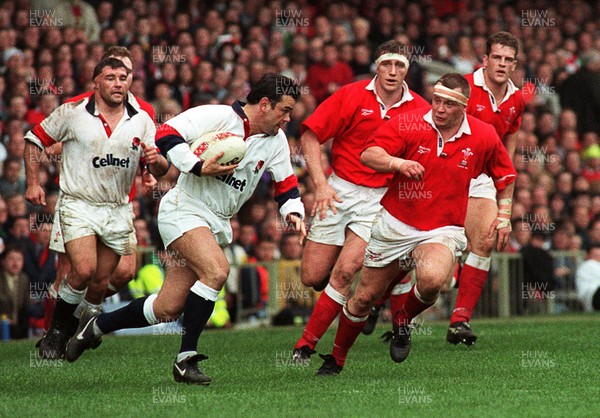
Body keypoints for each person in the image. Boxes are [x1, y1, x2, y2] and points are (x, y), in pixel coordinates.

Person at [65, 74, 306, 386]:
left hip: (216, 222)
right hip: (184, 208)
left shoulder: (276, 144)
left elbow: (286, 186)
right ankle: (185, 359)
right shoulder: (217, 116)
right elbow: (166, 134)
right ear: (263, 104)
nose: (288, 119)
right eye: (284, 110)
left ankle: (96, 326)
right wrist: (196, 165)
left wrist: (294, 214)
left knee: (167, 308)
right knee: (217, 270)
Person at [315, 73, 516, 375]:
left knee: (434, 280)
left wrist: (504, 216)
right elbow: (370, 153)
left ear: (464, 106)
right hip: (396, 223)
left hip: (441, 229)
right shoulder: (409, 122)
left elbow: (506, 176)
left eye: (448, 104)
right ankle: (337, 358)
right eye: (436, 100)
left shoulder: (484, 135)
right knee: (363, 298)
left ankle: (402, 319)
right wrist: (397, 163)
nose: (439, 108)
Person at [291, 40, 428, 364]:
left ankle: (305, 345)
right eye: (387, 65)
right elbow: (309, 136)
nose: (393, 72)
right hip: (338, 190)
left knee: (346, 271)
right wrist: (321, 185)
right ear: (376, 66)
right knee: (312, 276)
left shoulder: (420, 109)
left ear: (408, 70)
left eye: (400, 66)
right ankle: (380, 289)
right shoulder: (351, 95)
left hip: (380, 199)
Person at [24, 57, 167, 359]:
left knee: (104, 280)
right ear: (96, 82)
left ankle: (80, 329)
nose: (118, 83)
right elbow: (35, 140)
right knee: (81, 270)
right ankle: (55, 333)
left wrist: (154, 168)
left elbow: (156, 164)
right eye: (111, 77)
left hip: (117, 207)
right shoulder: (73, 112)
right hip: (78, 202)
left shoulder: (141, 118)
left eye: (124, 77)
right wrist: (33, 183)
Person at [446, 31, 525, 345]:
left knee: (486, 238)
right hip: (448, 172)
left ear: (515, 64)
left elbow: (510, 147)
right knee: (431, 261)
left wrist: (505, 199)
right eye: (497, 57)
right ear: (485, 59)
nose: (502, 64)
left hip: (481, 179)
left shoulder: (516, 99)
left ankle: (460, 320)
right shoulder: (463, 86)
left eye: (508, 59)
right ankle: (391, 312)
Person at [575, 243, 600, 312]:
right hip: (592, 297)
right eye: (595, 255)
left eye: (599, 255)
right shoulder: (588, 264)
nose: (597, 258)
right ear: (587, 255)